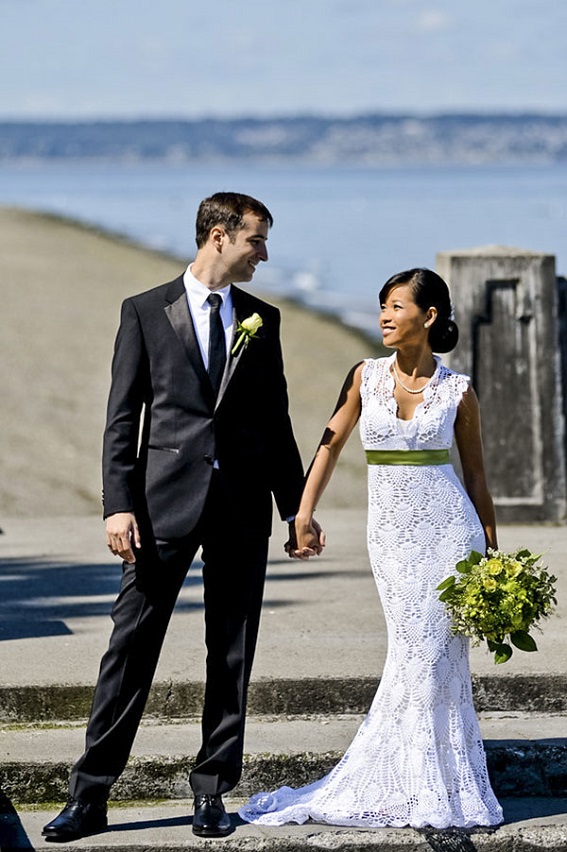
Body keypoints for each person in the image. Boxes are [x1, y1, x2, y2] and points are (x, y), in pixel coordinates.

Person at [43, 192, 321, 842]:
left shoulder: (262, 319)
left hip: (241, 511)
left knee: (230, 655)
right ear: (219, 236)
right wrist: (117, 505)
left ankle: (212, 791)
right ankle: (89, 796)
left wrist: (296, 508)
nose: (264, 254)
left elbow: (274, 422)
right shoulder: (144, 311)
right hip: (158, 507)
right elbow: (121, 419)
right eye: (257, 240)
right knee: (128, 652)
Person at [239, 268, 504, 829]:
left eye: (397, 306)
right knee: (412, 650)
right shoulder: (365, 375)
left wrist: (492, 551)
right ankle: (401, 776)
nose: (384, 315)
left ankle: (433, 784)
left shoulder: (459, 391)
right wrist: (303, 512)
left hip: (451, 536)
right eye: (381, 305)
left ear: (429, 317)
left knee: (435, 657)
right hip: (391, 539)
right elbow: (329, 447)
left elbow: (477, 478)